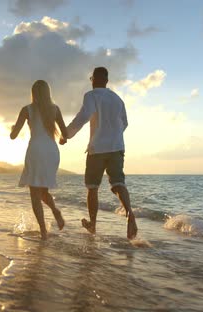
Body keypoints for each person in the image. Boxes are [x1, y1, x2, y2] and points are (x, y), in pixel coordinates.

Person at [62, 67, 138, 239]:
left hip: (97, 148)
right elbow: (125, 123)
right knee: (118, 183)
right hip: (117, 146)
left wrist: (66, 135)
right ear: (107, 80)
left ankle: (93, 225)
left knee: (92, 187)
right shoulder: (117, 99)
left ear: (93, 79)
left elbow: (83, 116)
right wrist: (114, 136)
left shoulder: (91, 96)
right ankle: (129, 214)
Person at [10, 80, 68, 240]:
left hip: (36, 151)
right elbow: (65, 135)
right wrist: (62, 140)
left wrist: (11, 129)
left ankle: (43, 231)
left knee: (35, 194)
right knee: (43, 191)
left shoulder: (26, 110)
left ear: (33, 93)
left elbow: (13, 136)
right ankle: (55, 211)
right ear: (48, 93)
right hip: (51, 152)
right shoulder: (55, 109)